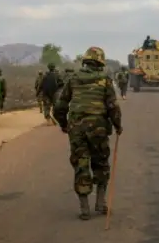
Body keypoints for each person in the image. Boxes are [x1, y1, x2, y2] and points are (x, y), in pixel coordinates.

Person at [53, 46, 123, 220]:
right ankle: (100, 203)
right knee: (100, 163)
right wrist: (118, 126)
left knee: (81, 164)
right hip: (98, 128)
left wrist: (64, 124)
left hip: (76, 128)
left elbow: (60, 106)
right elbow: (113, 107)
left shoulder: (73, 79)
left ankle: (84, 208)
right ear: (100, 62)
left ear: (85, 61)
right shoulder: (105, 80)